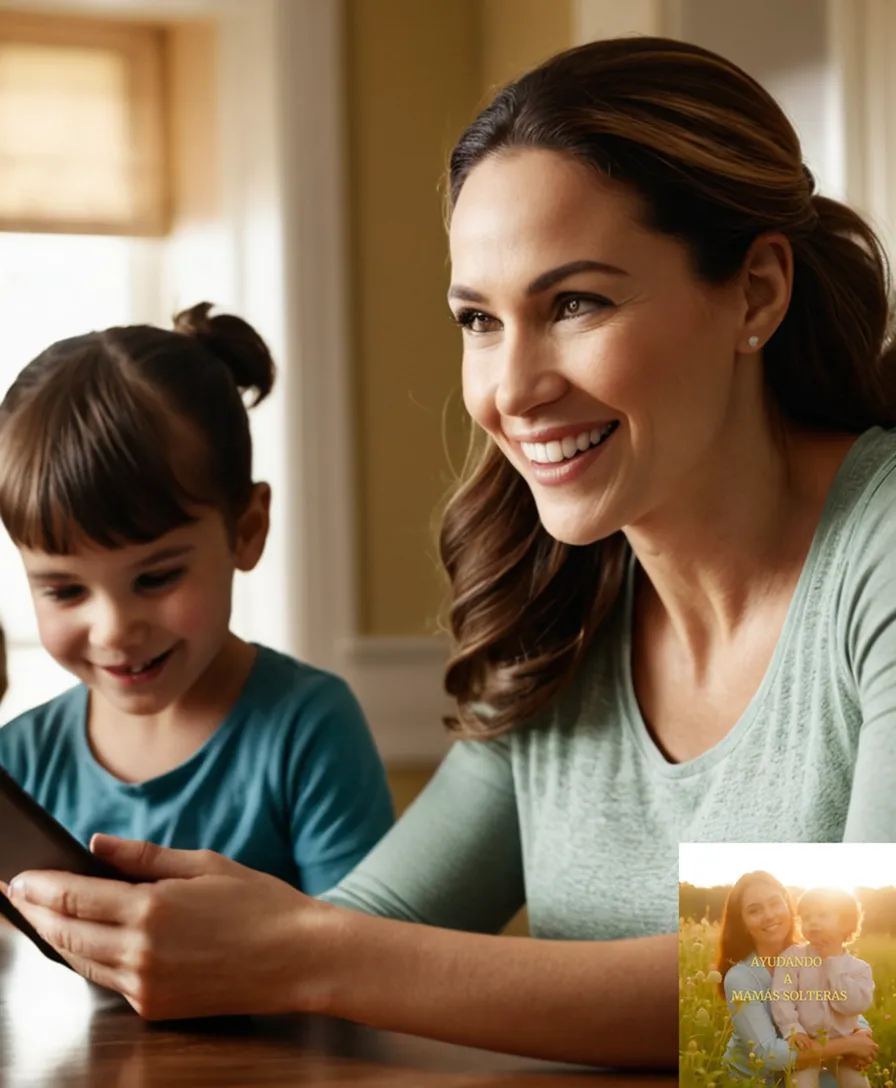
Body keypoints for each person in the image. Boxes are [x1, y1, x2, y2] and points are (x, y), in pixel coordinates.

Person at [3, 33, 896, 1068]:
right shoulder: (564, 602)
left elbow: (856, 993)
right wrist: (208, 940)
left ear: (754, 293)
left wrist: (304, 952)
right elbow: (370, 922)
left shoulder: (873, 551)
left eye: (574, 303)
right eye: (478, 318)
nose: (510, 391)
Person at [0, 303, 393, 895]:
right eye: (65, 589)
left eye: (155, 578)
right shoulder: (19, 763)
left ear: (247, 530)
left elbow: (366, 963)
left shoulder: (307, 730)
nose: (113, 630)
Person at [717, 873, 877, 1084]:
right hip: (757, 1080)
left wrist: (862, 1032)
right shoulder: (741, 978)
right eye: (754, 910)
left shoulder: (815, 952)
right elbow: (768, 1055)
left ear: (788, 906)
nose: (769, 915)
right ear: (743, 922)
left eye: (775, 903)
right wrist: (849, 1045)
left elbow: (840, 1004)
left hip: (810, 1064)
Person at [770, 887, 875, 1087]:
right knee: (801, 1083)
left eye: (822, 915)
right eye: (807, 917)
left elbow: (852, 1006)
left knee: (858, 1083)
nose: (813, 922)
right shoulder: (792, 958)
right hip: (807, 1044)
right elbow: (781, 997)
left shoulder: (859, 969)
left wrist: (832, 962)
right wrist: (793, 1030)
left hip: (844, 1049)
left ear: (845, 922)